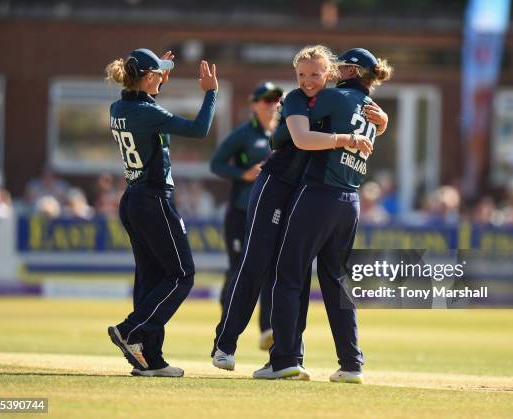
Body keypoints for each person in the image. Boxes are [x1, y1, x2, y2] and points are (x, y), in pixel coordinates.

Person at [211, 45, 387, 373]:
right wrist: (350, 135)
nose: (308, 80)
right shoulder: (295, 98)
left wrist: (382, 121)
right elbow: (304, 139)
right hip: (276, 185)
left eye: (315, 74)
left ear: (331, 73)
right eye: (302, 74)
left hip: (306, 193)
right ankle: (225, 343)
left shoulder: (334, 101)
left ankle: (291, 358)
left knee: (295, 275)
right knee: (255, 263)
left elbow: (361, 117)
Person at [104, 48, 218, 377]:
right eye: (158, 74)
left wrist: (157, 85)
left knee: (151, 278)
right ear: (148, 76)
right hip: (154, 199)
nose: (163, 78)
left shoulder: (120, 106)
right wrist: (211, 93)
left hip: (133, 199)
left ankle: (150, 360)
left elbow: (143, 108)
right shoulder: (144, 111)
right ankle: (131, 330)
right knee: (183, 275)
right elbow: (199, 129)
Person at [210, 82, 282, 349]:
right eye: (265, 100)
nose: (271, 104)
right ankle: (227, 327)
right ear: (254, 104)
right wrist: (243, 174)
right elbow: (216, 163)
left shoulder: (285, 132)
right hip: (241, 212)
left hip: (271, 213)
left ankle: (268, 331)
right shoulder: (243, 135)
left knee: (269, 270)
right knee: (239, 270)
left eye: (275, 99)